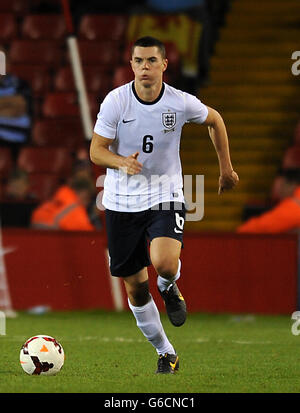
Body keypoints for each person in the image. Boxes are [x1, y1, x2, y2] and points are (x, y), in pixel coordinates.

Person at [90, 36, 238, 374]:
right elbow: (96, 150)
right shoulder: (116, 102)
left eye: (151, 61)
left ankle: (169, 286)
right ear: (131, 66)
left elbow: (214, 119)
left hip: (164, 193)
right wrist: (119, 162)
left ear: (164, 65)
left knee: (165, 263)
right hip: (120, 200)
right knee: (135, 287)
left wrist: (226, 168)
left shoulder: (179, 103)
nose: (145, 67)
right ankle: (166, 352)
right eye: (139, 61)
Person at [237, 169, 300, 233]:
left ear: (291, 184)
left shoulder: (294, 204)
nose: (275, 188)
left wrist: (240, 231)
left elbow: (263, 226)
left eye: (281, 185)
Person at [31, 176, 96, 231]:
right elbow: (90, 236)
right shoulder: (75, 208)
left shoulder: (56, 199)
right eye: (87, 198)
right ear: (83, 192)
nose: (88, 203)